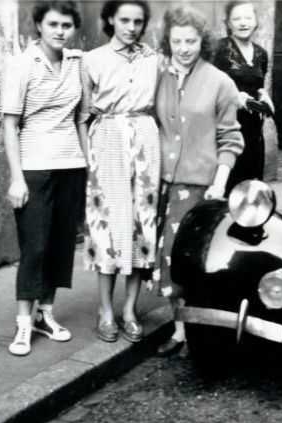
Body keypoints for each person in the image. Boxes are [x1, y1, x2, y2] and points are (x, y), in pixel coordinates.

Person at [153, 6, 244, 356]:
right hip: (163, 184)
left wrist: (219, 180)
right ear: (168, 42)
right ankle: (179, 332)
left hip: (199, 186)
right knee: (167, 259)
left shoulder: (220, 82)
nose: (184, 48)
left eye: (191, 41)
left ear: (202, 42)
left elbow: (231, 139)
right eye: (177, 41)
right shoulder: (160, 77)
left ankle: (197, 335)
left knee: (192, 260)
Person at [0, 1, 89, 356]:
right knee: (35, 245)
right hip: (34, 166)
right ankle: (23, 323)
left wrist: (89, 164)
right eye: (53, 23)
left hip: (71, 164)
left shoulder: (76, 63)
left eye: (67, 25)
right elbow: (9, 125)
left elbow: (81, 118)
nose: (60, 31)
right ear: (39, 25)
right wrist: (16, 178)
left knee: (60, 243)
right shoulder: (22, 64)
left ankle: (46, 314)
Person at [83, 1, 160, 343]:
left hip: (145, 138)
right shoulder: (92, 59)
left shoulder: (153, 59)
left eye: (138, 21)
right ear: (111, 19)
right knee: (108, 229)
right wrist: (90, 157)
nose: (131, 27)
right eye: (124, 20)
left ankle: (129, 308)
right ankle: (105, 310)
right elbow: (82, 115)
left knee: (142, 226)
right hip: (108, 140)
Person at [212, 1, 274, 195]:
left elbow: (259, 85)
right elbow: (208, 86)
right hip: (227, 126)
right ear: (228, 23)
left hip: (254, 129)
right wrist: (233, 96)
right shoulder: (219, 49)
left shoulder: (261, 54)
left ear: (256, 21)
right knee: (227, 184)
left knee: (250, 188)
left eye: (248, 18)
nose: (243, 23)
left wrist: (265, 97)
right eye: (236, 18)